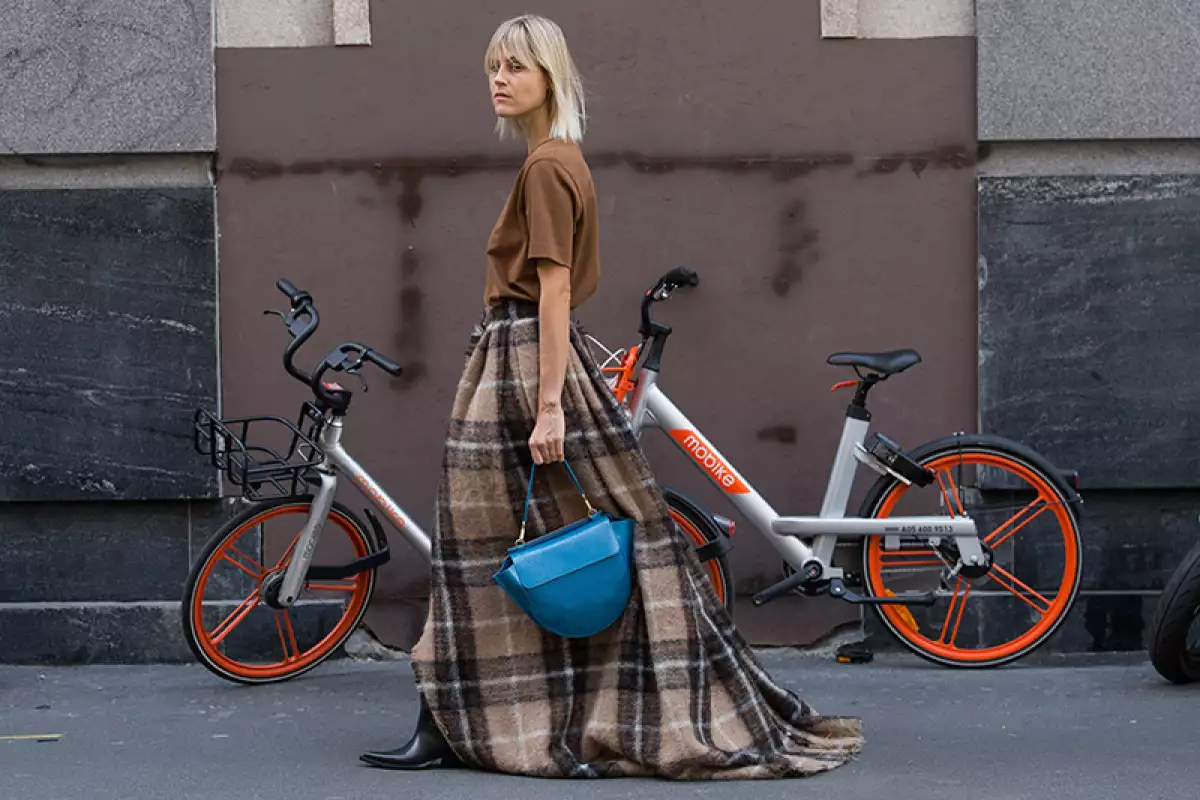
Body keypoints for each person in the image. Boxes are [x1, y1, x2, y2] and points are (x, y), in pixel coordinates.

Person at [360, 14, 863, 779]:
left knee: (477, 553)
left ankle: (452, 725)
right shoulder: (553, 161)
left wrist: (552, 403)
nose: (498, 79)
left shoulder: (547, 167)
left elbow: (554, 289)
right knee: (512, 551)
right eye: (494, 66)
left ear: (550, 78)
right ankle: (456, 721)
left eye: (516, 68)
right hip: (521, 358)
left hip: (524, 365)